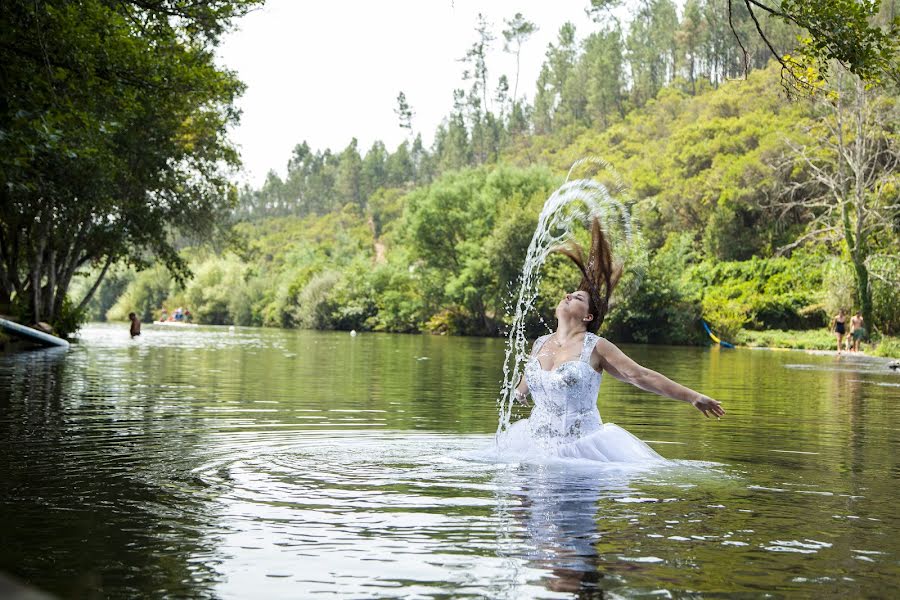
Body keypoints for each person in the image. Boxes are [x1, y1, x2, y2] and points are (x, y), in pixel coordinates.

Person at [503, 219, 724, 463]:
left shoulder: (595, 346)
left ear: (588, 316)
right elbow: (527, 378)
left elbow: (639, 376)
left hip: (582, 453)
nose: (567, 295)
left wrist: (692, 396)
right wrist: (520, 391)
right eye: (568, 294)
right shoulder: (540, 344)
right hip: (536, 448)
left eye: (577, 297)